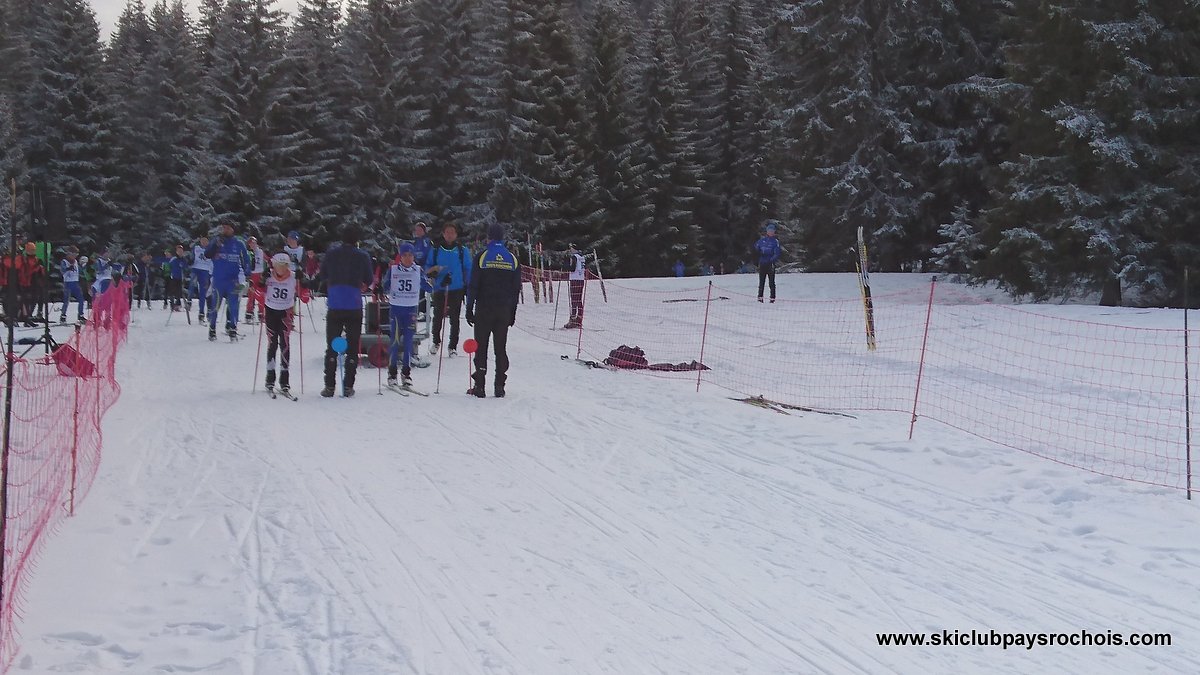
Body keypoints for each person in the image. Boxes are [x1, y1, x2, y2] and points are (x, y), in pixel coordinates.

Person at [465, 223, 521, 398]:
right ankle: (499, 386)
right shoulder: (512, 258)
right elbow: (515, 288)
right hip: (503, 309)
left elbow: (473, 285)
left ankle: (480, 386)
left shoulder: (482, 257)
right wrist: (512, 312)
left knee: (481, 347)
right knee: (500, 348)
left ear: (488, 237)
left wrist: (469, 308)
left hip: (484, 308)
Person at [320, 225, 373, 397]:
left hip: (335, 302)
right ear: (357, 240)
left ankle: (329, 386)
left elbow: (323, 274)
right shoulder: (363, 256)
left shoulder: (331, 254)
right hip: (353, 303)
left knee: (332, 346)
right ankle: (348, 386)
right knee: (352, 346)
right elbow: (369, 279)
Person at [259, 253, 309, 396]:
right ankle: (270, 379)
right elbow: (257, 292)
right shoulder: (269, 276)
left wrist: (303, 281)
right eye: (278, 266)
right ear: (273, 265)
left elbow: (305, 298)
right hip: (270, 311)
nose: (281, 269)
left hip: (286, 313)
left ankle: (284, 381)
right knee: (272, 343)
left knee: (285, 344)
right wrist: (261, 282)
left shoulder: (293, 277)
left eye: (284, 266)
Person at [425, 221, 471, 357]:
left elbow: (468, 268)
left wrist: (467, 285)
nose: (450, 235)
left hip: (456, 287)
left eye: (452, 232)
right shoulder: (436, 250)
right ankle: (436, 341)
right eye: (447, 232)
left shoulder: (462, 250)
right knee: (438, 315)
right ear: (443, 234)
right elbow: (428, 267)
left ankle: (452, 346)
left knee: (455, 318)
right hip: (440, 287)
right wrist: (433, 273)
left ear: (456, 234)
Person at [381, 243, 422, 388]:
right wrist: (384, 284)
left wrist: (440, 279)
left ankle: (406, 373)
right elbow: (385, 285)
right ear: (400, 256)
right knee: (395, 341)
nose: (408, 258)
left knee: (409, 342)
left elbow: (428, 286)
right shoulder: (393, 270)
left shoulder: (417, 269)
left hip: (411, 310)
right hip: (397, 309)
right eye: (404, 255)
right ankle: (392, 373)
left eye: (410, 255)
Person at [205, 222, 250, 340]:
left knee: (234, 306)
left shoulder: (239, 243)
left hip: (233, 280)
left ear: (232, 230)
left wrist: (247, 274)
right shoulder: (216, 240)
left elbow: (246, 260)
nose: (224, 230)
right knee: (216, 305)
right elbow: (207, 254)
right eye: (223, 228)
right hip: (219, 279)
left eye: (227, 228)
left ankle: (233, 328)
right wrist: (216, 245)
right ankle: (212, 328)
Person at [754, 221, 782, 303]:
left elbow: (777, 253)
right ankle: (760, 297)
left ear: (774, 232)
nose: (771, 232)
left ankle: (772, 298)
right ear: (767, 231)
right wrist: (757, 254)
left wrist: (771, 260)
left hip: (770, 264)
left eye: (772, 231)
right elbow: (756, 248)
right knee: (761, 282)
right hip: (762, 263)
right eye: (769, 231)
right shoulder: (762, 240)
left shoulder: (775, 242)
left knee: (771, 282)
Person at [410, 221, 433, 318]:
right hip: (416, 268)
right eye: (416, 230)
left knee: (422, 289)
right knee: (417, 290)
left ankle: (424, 312)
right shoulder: (415, 242)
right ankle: (419, 310)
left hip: (424, 268)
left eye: (420, 230)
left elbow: (429, 254)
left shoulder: (427, 241)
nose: (418, 232)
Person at [59, 247, 85, 324]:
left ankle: (80, 315)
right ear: (69, 253)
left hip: (75, 282)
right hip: (68, 283)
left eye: (76, 254)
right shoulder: (64, 261)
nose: (75, 256)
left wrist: (83, 266)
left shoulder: (75, 261)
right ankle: (63, 316)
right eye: (74, 254)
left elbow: (80, 270)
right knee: (66, 301)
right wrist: (68, 268)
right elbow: (62, 270)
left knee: (81, 299)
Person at [190, 236, 213, 321]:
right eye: (202, 241)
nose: (204, 242)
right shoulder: (196, 248)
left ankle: (202, 312)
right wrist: (190, 260)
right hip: (196, 269)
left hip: (206, 271)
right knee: (192, 282)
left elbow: (214, 261)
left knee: (205, 293)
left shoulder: (211, 250)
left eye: (205, 241)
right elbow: (191, 257)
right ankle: (189, 300)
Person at [563, 244, 586, 329]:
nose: (570, 250)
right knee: (579, 300)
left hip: (575, 280)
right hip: (581, 279)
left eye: (571, 248)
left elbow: (572, 268)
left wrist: (565, 262)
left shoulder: (574, 257)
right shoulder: (582, 257)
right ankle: (579, 320)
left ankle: (573, 320)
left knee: (574, 300)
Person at [244, 236, 267, 323]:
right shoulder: (247, 253)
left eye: (254, 243)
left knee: (261, 294)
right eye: (251, 244)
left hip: (260, 274)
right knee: (251, 295)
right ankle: (249, 313)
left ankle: (261, 313)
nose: (252, 245)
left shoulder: (261, 251)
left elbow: (268, 259)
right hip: (252, 275)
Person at [166, 244, 188, 311]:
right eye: (178, 251)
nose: (180, 252)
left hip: (180, 277)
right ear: (176, 251)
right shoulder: (174, 259)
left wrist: (183, 266)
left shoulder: (184, 259)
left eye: (181, 250)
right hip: (174, 277)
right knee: (172, 291)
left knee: (179, 291)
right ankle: (172, 304)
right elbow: (169, 266)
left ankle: (178, 304)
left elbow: (186, 267)